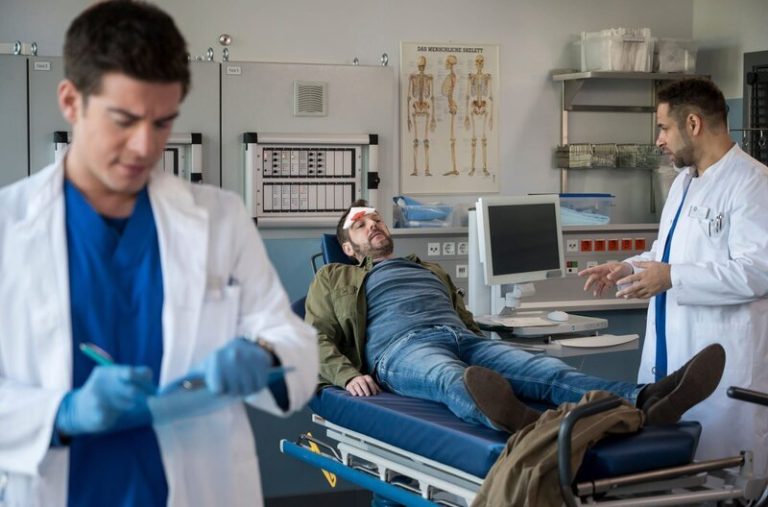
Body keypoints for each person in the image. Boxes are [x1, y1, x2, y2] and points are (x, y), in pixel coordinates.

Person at [0, 2, 317, 506]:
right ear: (71, 101)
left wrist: (264, 353)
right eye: (124, 121)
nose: (144, 147)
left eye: (163, 123)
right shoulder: (8, 227)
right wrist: (62, 412)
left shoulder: (220, 217)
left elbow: (289, 335)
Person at [306, 201, 725, 438]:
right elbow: (314, 337)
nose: (373, 225)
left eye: (376, 218)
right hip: (401, 349)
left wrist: (483, 345)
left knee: (544, 371)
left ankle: (645, 398)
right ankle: (530, 424)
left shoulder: (428, 268)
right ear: (348, 248)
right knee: (450, 378)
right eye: (360, 225)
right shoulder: (334, 277)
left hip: (461, 337)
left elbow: (464, 318)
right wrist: (346, 376)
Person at [579, 77, 768, 472]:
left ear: (693, 124)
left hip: (725, 365)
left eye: (664, 128)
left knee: (724, 478)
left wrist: (672, 278)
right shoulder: (684, 183)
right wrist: (628, 267)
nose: (659, 140)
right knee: (670, 470)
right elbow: (667, 253)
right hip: (672, 357)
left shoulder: (753, 184)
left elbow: (757, 271)